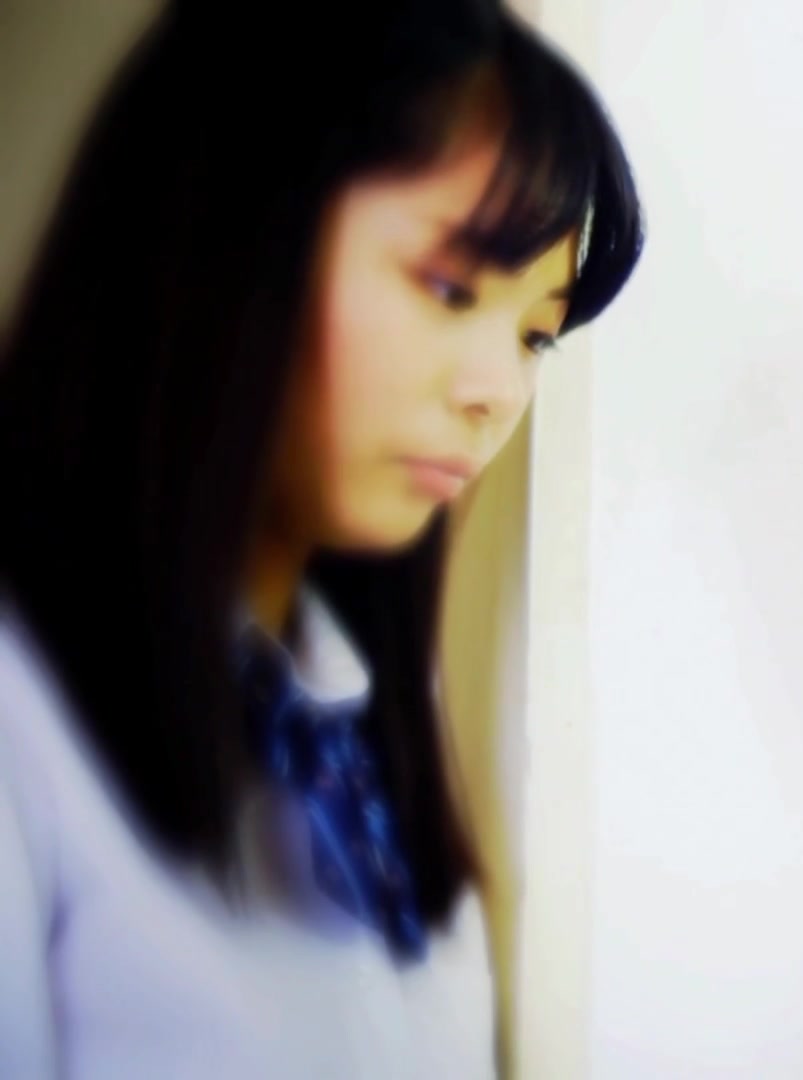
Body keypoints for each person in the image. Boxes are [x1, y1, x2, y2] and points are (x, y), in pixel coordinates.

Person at [0, 1, 643, 1076]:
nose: (498, 390)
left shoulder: (362, 720)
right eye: (450, 287)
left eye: (536, 333)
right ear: (225, 231)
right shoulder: (26, 716)